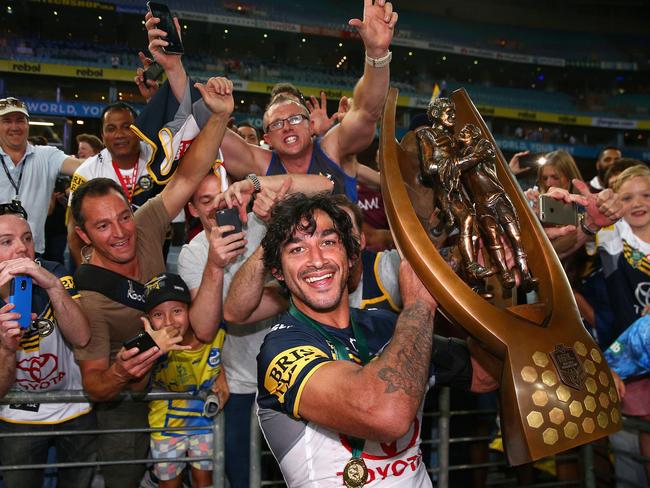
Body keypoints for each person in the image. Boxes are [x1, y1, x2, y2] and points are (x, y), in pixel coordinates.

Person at [255, 192, 494, 487]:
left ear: (351, 255)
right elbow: (387, 415)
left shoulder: (389, 326)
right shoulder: (280, 348)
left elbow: (485, 376)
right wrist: (419, 306)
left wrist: (495, 286)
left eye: (328, 242)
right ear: (277, 270)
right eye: (297, 249)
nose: (316, 260)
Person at [71, 76, 235, 488]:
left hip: (186, 378)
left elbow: (188, 175)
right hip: (131, 393)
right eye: (104, 226)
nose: (122, 232)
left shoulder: (143, 226)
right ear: (85, 236)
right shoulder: (89, 298)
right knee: (125, 476)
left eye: (124, 216)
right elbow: (95, 385)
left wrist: (220, 116)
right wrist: (122, 372)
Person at [146, 0, 397, 202]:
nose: (287, 126)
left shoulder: (333, 148)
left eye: (295, 118)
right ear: (266, 138)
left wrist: (376, 54)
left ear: (311, 127)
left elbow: (367, 110)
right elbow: (202, 120)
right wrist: (174, 66)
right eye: (276, 124)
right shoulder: (260, 163)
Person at [177, 171, 332, 488]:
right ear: (193, 209)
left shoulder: (261, 220)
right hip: (242, 383)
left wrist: (254, 184)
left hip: (297, 375)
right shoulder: (193, 253)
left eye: (224, 196)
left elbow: (326, 185)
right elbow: (205, 328)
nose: (218, 206)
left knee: (308, 476)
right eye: (207, 201)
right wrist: (215, 265)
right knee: (243, 477)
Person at [0, 200, 96, 488]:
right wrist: (6, 349)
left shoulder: (53, 271)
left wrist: (53, 286)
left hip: (73, 408)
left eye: (27, 238)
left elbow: (82, 337)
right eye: (7, 241)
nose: (22, 249)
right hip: (16, 415)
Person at [143, 272, 228, 488]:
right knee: (170, 484)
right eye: (158, 315)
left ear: (191, 310)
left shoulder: (216, 335)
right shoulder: (148, 347)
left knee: (203, 481)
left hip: (204, 423)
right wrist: (153, 352)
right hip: (166, 429)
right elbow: (135, 385)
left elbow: (224, 360)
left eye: (178, 311)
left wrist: (223, 375)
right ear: (147, 320)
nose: (169, 322)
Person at [67, 102, 159, 266]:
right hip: (106, 264)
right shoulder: (86, 172)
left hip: (153, 255)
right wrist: (89, 274)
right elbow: (74, 232)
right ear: (102, 136)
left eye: (126, 127)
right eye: (111, 129)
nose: (119, 134)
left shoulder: (159, 160)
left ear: (138, 130)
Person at [0, 97, 82, 256]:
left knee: (26, 283)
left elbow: (81, 166)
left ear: (27, 124)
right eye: (7, 121)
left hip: (31, 253)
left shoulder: (46, 156)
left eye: (20, 120)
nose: (14, 126)